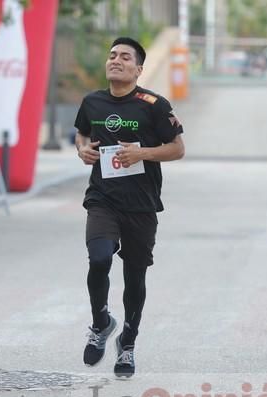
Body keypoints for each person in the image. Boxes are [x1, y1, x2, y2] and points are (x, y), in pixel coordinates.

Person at [74, 37, 185, 378]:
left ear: (138, 69)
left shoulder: (153, 104)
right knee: (100, 258)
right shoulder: (92, 102)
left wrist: (142, 154)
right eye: (111, 55)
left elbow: (178, 148)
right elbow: (80, 134)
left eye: (124, 57)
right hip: (103, 198)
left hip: (141, 204)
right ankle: (101, 323)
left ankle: (129, 343)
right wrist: (82, 150)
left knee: (134, 276)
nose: (115, 60)